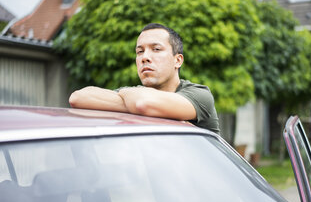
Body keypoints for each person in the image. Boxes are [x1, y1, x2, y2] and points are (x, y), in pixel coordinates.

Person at [69, 23, 220, 134]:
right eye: (139, 51)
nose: (145, 57)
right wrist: (132, 99)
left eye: (156, 49)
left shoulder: (200, 95)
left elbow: (143, 103)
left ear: (178, 60)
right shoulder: (132, 96)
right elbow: (77, 98)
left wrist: (133, 102)